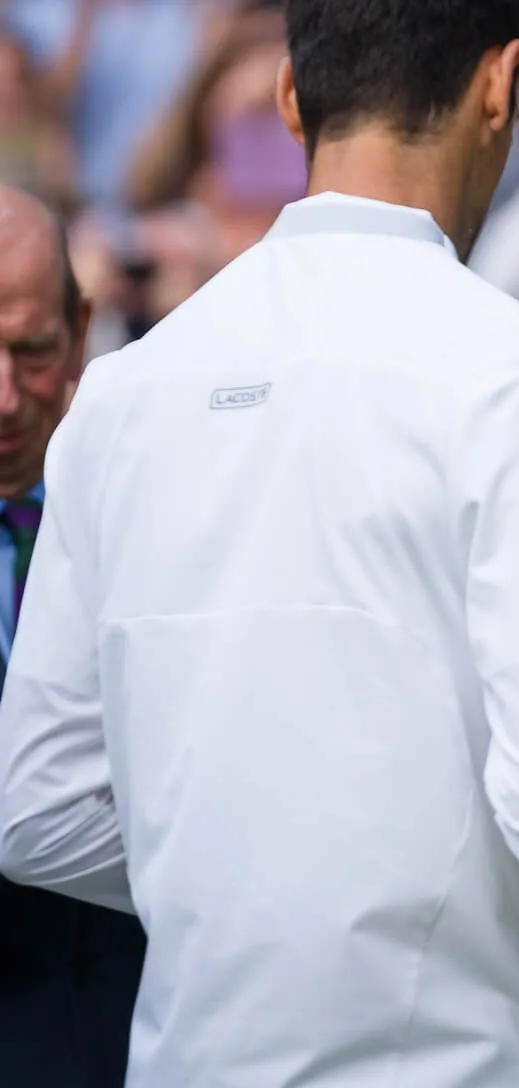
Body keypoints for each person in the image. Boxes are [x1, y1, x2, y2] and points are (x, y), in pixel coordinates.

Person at [0, 0, 519, 1087]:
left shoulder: (120, 393)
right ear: (501, 83)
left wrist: (249, 864)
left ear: (291, 94)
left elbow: (36, 806)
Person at [0, 186, 146, 1087]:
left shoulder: (155, 513)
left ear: (82, 328)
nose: (5, 398)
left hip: (138, 1036)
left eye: (32, 351)